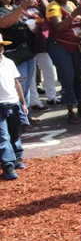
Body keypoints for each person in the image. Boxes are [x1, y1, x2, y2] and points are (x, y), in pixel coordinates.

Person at [45, 0, 81, 124]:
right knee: (68, 77)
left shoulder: (71, 4)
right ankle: (71, 110)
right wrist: (74, 15)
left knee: (79, 76)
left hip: (75, 45)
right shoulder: (53, 7)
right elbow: (58, 27)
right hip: (60, 46)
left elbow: (80, 24)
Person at [0, 38, 29, 180]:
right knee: (3, 136)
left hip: (13, 102)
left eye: (1, 46)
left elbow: (16, 82)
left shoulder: (9, 63)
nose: (0, 49)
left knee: (15, 132)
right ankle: (8, 164)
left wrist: (23, 103)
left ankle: (17, 157)